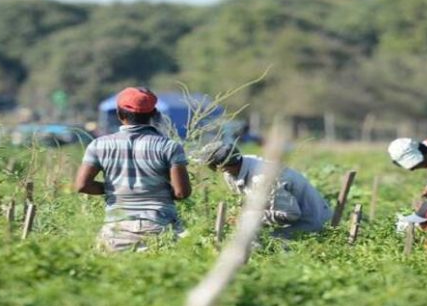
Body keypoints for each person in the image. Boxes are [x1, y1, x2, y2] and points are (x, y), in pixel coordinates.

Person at [74, 87, 192, 252]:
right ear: (154, 114)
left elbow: (82, 185)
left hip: (115, 229)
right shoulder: (169, 147)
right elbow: (181, 193)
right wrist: (154, 190)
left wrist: (113, 189)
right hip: (158, 228)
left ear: (119, 114)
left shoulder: (98, 145)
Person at [200, 141, 332, 238]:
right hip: (285, 220)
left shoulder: (265, 179)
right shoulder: (232, 173)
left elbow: (290, 215)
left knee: (253, 241)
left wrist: (248, 216)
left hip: (310, 225)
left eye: (212, 166)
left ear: (223, 166)